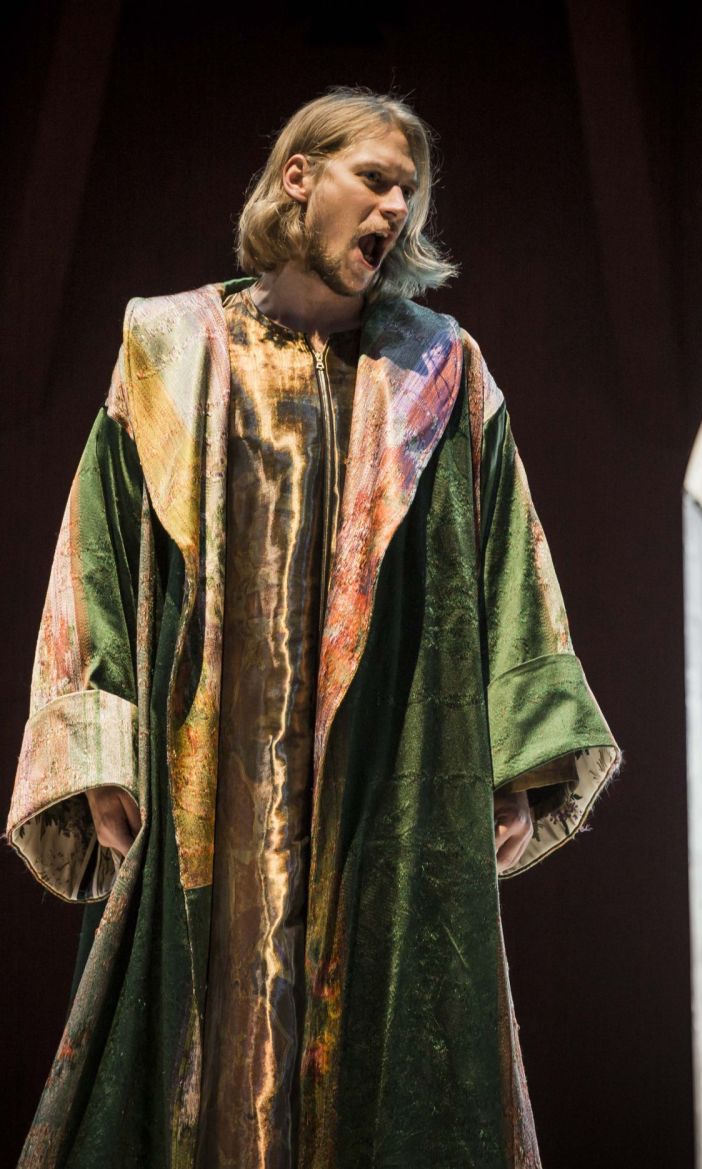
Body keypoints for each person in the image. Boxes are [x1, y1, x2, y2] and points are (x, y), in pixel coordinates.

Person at [4, 86, 622, 1169]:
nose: (396, 208)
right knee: (196, 1051)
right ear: (300, 177)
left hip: (385, 773)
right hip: (207, 777)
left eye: (408, 191)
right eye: (374, 179)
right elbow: (96, 551)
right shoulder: (169, 346)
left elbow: (507, 561)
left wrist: (517, 766)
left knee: (384, 1046)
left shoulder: (441, 370)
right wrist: (100, 749)